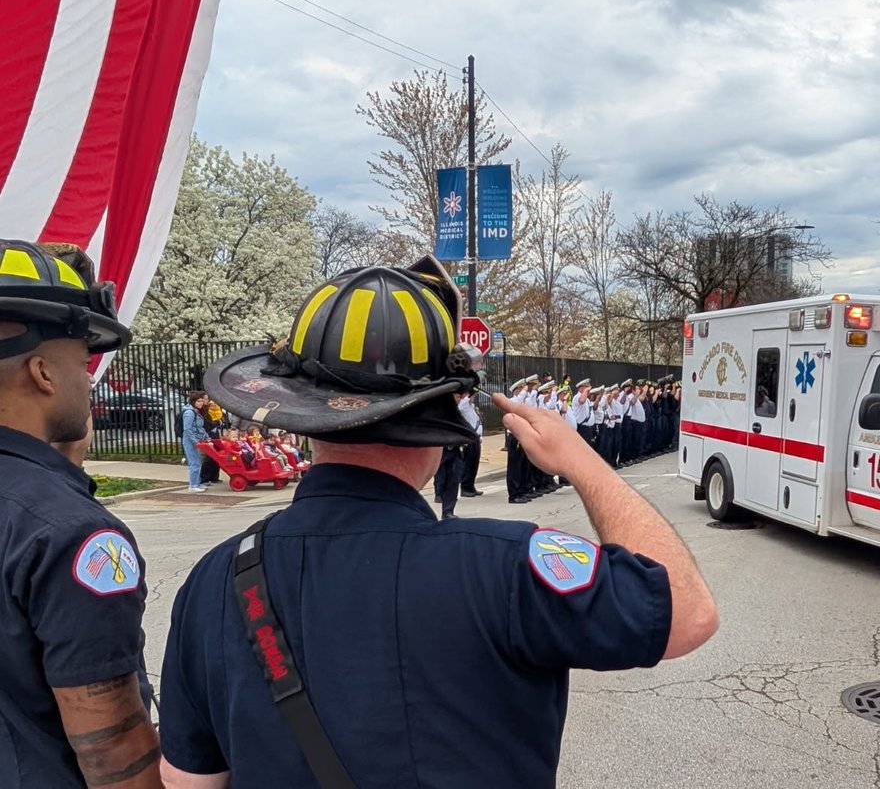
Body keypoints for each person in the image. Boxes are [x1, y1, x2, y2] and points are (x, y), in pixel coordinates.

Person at [158, 257, 718, 789]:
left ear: (302, 414)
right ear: (436, 422)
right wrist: (582, 461)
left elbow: (188, 780)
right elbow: (686, 613)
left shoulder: (213, 582)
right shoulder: (508, 567)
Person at [0, 240, 161, 788]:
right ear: (43, 372)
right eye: (82, 360)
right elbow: (115, 757)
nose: (88, 379)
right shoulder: (71, 535)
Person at [457, 388, 484, 498]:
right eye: (473, 396)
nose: (474, 398)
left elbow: (477, 422)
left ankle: (471, 486)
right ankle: (465, 487)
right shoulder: (463, 406)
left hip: (476, 437)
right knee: (468, 463)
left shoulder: (472, 407)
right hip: (469, 438)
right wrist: (467, 395)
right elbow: (460, 407)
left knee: (474, 463)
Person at [181, 390, 210, 493]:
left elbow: (200, 427)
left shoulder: (196, 411)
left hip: (196, 440)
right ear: (193, 402)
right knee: (194, 463)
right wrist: (195, 441)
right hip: (191, 441)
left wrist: (206, 438)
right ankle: (193, 485)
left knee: (197, 462)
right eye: (198, 401)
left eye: (202, 401)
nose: (201, 403)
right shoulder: (190, 413)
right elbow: (187, 429)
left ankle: (196, 483)